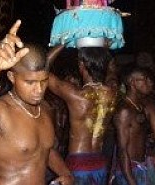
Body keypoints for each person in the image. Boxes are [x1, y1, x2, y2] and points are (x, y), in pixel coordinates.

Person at [0, 20, 74, 185]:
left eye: (44, 81)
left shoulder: (46, 109)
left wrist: (66, 173)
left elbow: (44, 150)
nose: (39, 90)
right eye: (30, 82)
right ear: (12, 77)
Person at [48, 46, 117, 184]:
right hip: (100, 162)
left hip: (78, 164)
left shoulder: (76, 95)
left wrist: (62, 43)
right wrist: (104, 52)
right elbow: (111, 73)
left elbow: (41, 70)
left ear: (81, 65)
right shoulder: (113, 93)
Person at [113, 66, 155, 185]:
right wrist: (131, 180)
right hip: (129, 169)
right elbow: (122, 149)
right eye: (144, 79)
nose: (148, 82)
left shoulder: (140, 106)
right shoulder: (124, 110)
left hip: (141, 166)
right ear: (132, 82)